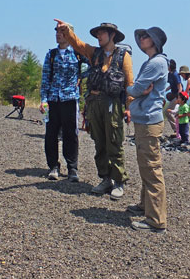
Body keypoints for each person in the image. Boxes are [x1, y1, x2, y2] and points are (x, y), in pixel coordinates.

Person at [55, 20, 134, 200]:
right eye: (97, 33)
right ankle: (105, 179)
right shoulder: (94, 53)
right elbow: (78, 44)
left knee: (114, 142)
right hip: (94, 102)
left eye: (102, 33)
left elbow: (129, 82)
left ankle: (119, 181)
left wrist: (129, 108)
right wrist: (67, 30)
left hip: (112, 104)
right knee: (99, 142)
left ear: (112, 35)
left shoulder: (123, 56)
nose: (98, 36)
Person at [125, 27, 169, 233]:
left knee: (151, 168)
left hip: (149, 121)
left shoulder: (156, 63)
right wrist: (139, 90)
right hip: (146, 120)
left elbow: (135, 89)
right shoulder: (151, 62)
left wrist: (131, 89)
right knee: (146, 166)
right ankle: (145, 206)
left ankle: (156, 220)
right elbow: (140, 89)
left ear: (155, 41)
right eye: (141, 36)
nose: (141, 38)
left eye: (146, 36)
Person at [40, 23, 82, 182]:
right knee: (51, 134)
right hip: (52, 100)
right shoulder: (51, 54)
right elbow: (45, 78)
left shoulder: (78, 54)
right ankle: (53, 166)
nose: (58, 34)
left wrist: (80, 78)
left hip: (70, 99)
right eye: (57, 31)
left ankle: (72, 168)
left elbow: (92, 66)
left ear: (69, 34)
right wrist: (43, 100)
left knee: (70, 135)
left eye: (62, 31)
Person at [164, 60, 183, 138]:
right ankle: (177, 130)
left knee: (167, 111)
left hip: (177, 96)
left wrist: (179, 98)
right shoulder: (170, 74)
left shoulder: (175, 74)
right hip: (174, 95)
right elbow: (172, 85)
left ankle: (177, 129)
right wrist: (165, 90)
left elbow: (180, 87)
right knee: (172, 112)